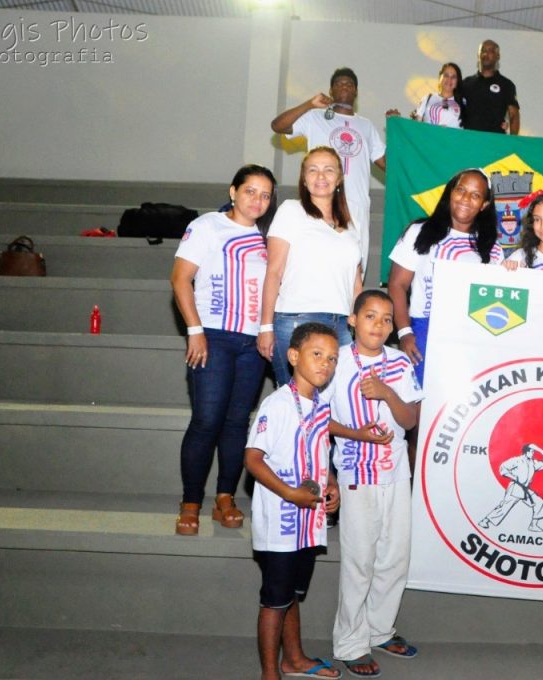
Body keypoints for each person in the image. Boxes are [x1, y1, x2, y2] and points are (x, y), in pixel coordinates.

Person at [170, 164, 273, 536]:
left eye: (265, 194)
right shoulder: (207, 225)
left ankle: (225, 497)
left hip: (252, 343)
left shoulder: (269, 236)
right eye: (250, 191)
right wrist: (194, 330)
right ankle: (191, 502)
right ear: (233, 192)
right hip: (212, 336)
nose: (258, 200)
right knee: (206, 421)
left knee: (236, 424)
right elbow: (179, 278)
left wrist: (266, 330)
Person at [324, 290, 423, 678]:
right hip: (355, 472)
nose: (379, 326)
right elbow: (320, 420)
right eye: (370, 316)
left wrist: (386, 393)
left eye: (386, 319)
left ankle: (380, 630)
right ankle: (350, 642)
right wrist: (357, 435)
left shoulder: (398, 362)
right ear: (352, 320)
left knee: (395, 557)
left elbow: (410, 420)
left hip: (396, 470)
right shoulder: (336, 362)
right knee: (359, 561)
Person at [245, 322, 343, 680]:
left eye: (332, 358)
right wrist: (288, 493)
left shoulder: (319, 406)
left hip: (308, 522)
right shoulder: (278, 403)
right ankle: (270, 674)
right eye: (317, 355)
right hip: (281, 520)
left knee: (291, 595)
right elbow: (253, 458)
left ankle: (295, 659)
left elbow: (320, 454)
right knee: (274, 601)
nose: (325, 364)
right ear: (293, 356)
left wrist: (330, 484)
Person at [256, 147, 363, 386]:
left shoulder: (351, 222)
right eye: (313, 170)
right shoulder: (291, 210)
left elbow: (356, 282)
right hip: (297, 320)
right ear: (304, 179)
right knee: (298, 403)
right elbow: (274, 272)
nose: (321, 176)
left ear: (339, 178)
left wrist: (359, 321)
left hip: (342, 325)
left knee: (338, 406)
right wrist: (265, 326)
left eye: (328, 170)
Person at [387, 167, 504, 384]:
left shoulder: (493, 248)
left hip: (472, 335)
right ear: (450, 192)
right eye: (460, 189)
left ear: (484, 205)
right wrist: (405, 332)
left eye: (475, 195)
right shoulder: (419, 231)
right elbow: (397, 285)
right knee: (421, 402)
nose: (465, 198)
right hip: (424, 329)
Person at [270, 67, 386, 277]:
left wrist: (399, 129)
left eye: (349, 84)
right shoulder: (315, 117)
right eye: (339, 83)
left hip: (357, 205)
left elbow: (388, 165)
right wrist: (309, 104)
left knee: (355, 268)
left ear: (356, 92)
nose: (344, 87)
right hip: (322, 202)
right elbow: (278, 126)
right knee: (319, 263)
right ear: (331, 90)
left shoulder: (366, 126)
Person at [478, 444, 543, 532]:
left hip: (526, 489)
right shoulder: (517, 460)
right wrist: (513, 476)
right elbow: (503, 468)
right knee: (504, 507)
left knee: (539, 502)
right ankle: (485, 521)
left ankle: (533, 525)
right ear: (527, 452)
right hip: (516, 487)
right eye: (532, 452)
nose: (533, 454)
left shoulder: (532, 463)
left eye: (533, 452)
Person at [460, 40, 520, 134]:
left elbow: (513, 115)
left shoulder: (507, 85)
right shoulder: (466, 83)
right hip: (469, 141)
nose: (486, 54)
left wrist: (513, 143)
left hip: (495, 143)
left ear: (498, 56)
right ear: (478, 55)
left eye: (490, 51)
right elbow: (455, 110)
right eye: (483, 51)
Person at [411, 62, 463, 128]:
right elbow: (415, 125)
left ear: (457, 82)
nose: (449, 79)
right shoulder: (427, 98)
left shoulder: (462, 103)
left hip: (452, 138)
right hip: (429, 138)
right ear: (440, 78)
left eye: (453, 77)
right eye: (446, 75)